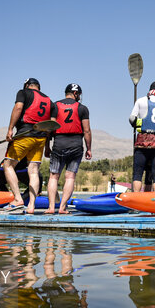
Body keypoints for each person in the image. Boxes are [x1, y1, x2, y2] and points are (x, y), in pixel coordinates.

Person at [4, 78, 57, 214]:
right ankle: (31, 206)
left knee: (8, 165)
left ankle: (17, 199)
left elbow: (18, 107)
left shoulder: (23, 92)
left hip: (24, 135)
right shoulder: (49, 101)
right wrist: (47, 146)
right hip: (40, 138)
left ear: (27, 86)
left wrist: (10, 129)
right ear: (38, 87)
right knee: (33, 171)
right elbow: (50, 126)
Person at [45, 83, 92, 214]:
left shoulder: (55, 105)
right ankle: (62, 208)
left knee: (54, 176)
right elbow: (87, 131)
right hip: (76, 145)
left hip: (58, 143)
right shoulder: (82, 108)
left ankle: (50, 208)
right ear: (76, 94)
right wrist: (89, 148)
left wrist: (47, 146)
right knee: (70, 177)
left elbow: (49, 128)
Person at [129, 81, 155, 193]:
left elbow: (132, 120)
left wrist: (141, 124)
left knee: (138, 173)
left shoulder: (141, 101)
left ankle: (136, 203)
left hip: (143, 141)